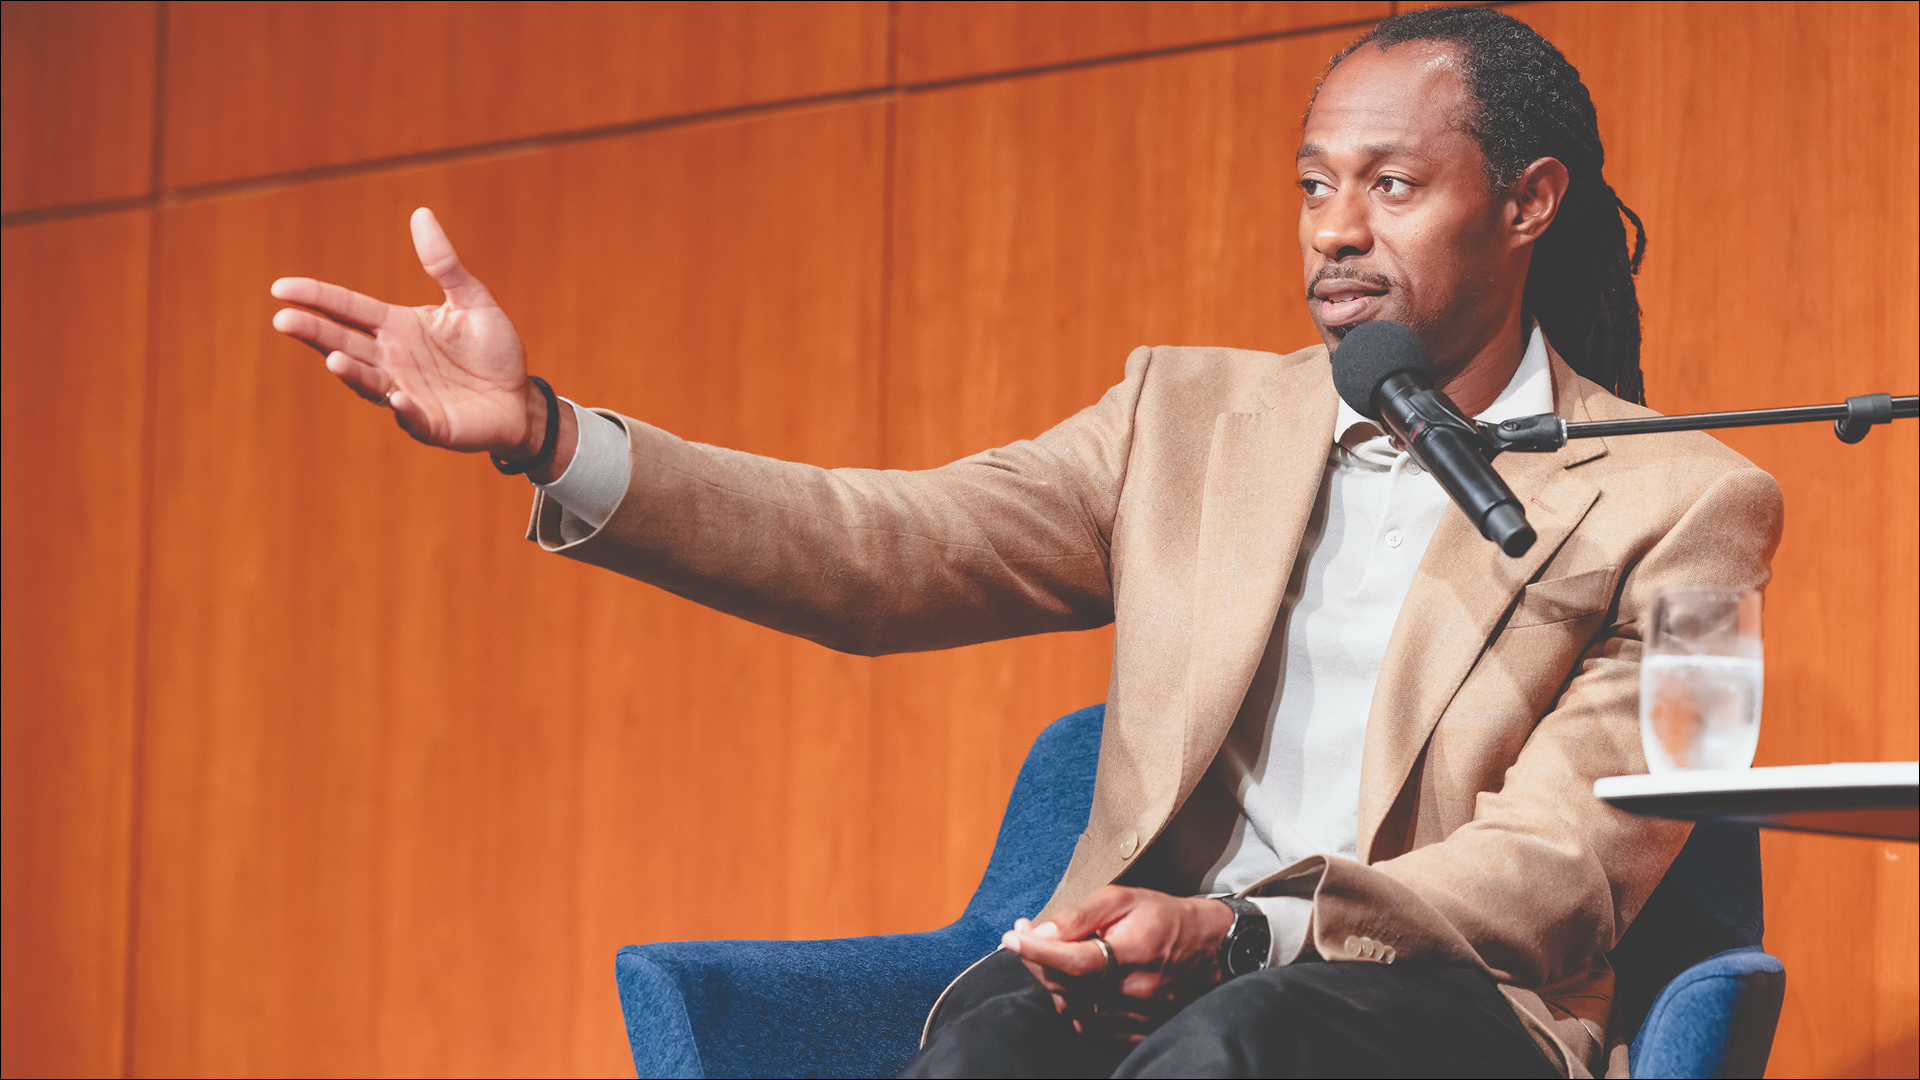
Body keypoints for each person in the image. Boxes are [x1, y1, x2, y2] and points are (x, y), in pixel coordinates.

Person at [269, 8, 1779, 1079]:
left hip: (1440, 1006)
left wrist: (1248, 932)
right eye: (1315, 183)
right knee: (988, 1051)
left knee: (1239, 1043)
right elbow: (885, 547)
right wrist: (546, 430)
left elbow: (1571, 865)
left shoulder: (1687, 503)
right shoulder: (1184, 420)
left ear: (1526, 203)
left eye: (1391, 184)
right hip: (1133, 980)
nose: (1331, 230)